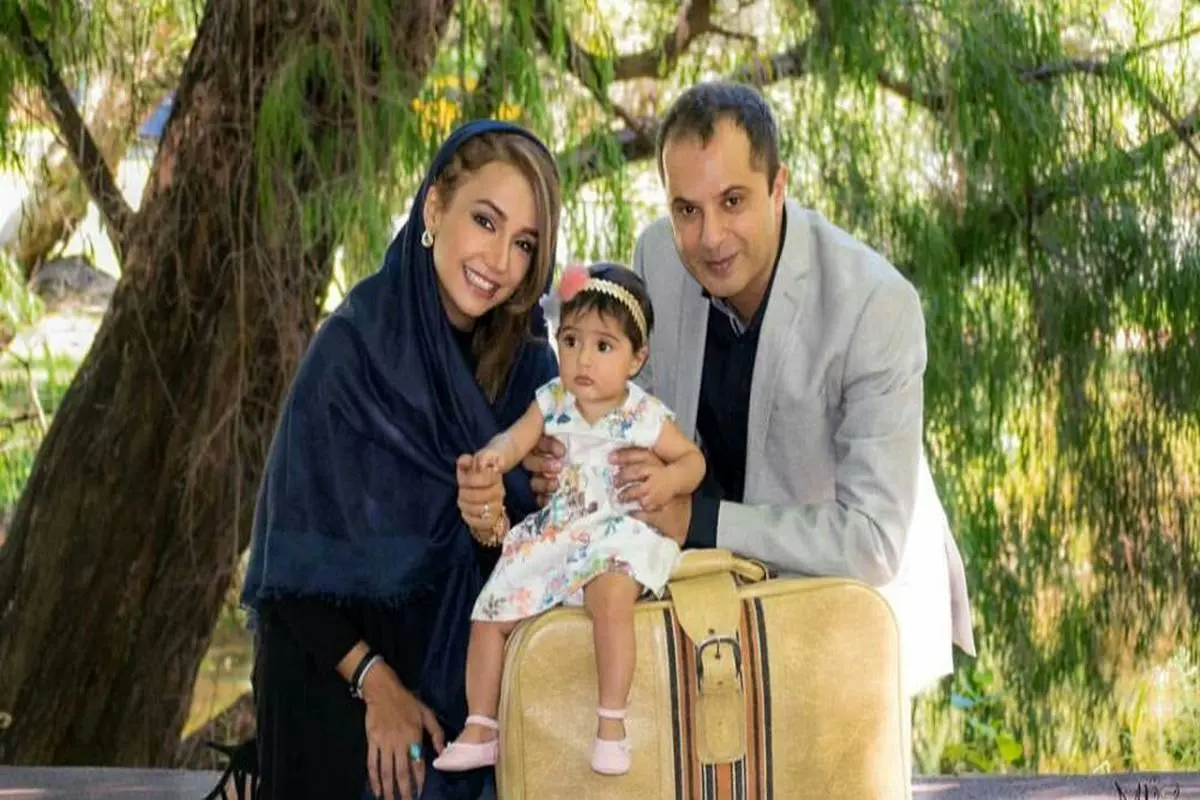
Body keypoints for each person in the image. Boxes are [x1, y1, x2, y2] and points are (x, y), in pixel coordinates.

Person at [458, 82, 976, 707]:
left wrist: (697, 519)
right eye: (687, 210)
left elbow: (871, 541)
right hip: (700, 607)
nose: (710, 237)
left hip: (846, 612)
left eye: (733, 201)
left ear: (778, 188)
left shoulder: (875, 305)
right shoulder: (657, 255)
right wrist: (578, 460)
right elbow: (631, 426)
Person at [236, 119, 563, 800]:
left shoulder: (531, 369)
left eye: (524, 243)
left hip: (474, 682)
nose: (500, 259)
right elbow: (290, 574)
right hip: (340, 669)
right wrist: (377, 684)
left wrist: (498, 523)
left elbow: (536, 565)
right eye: (485, 221)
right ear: (435, 207)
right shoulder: (351, 352)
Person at [433, 263, 705, 777]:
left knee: (611, 592)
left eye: (603, 346)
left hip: (617, 533)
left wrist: (669, 481)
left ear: (636, 358)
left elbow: (693, 461)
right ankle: (481, 725)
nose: (583, 358)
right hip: (561, 533)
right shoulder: (553, 401)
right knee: (491, 607)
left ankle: (611, 723)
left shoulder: (642, 414)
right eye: (571, 340)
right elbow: (515, 438)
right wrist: (493, 457)